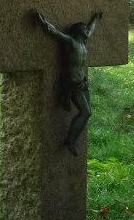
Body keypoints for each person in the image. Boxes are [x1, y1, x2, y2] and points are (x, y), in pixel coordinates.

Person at [36, 11, 101, 155]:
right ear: (79, 31)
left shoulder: (83, 42)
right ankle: (70, 141)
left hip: (83, 83)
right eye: (85, 29)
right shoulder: (71, 41)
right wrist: (43, 21)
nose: (88, 32)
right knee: (85, 112)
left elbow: (91, 29)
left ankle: (71, 139)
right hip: (73, 84)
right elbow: (54, 32)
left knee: (87, 112)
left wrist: (94, 18)